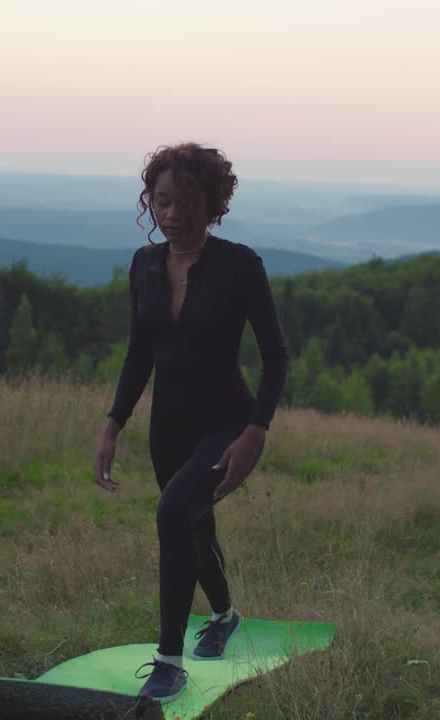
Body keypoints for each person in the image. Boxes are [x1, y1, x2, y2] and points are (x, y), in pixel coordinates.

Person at [93, 143, 288, 703]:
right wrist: (113, 424)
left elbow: (275, 356)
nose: (174, 214)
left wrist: (255, 432)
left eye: (188, 202)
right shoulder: (144, 266)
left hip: (228, 425)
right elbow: (139, 354)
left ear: (214, 203)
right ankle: (224, 615)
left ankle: (169, 661)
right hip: (167, 429)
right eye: (163, 201)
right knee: (193, 528)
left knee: (174, 512)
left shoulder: (240, 265)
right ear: (150, 202)